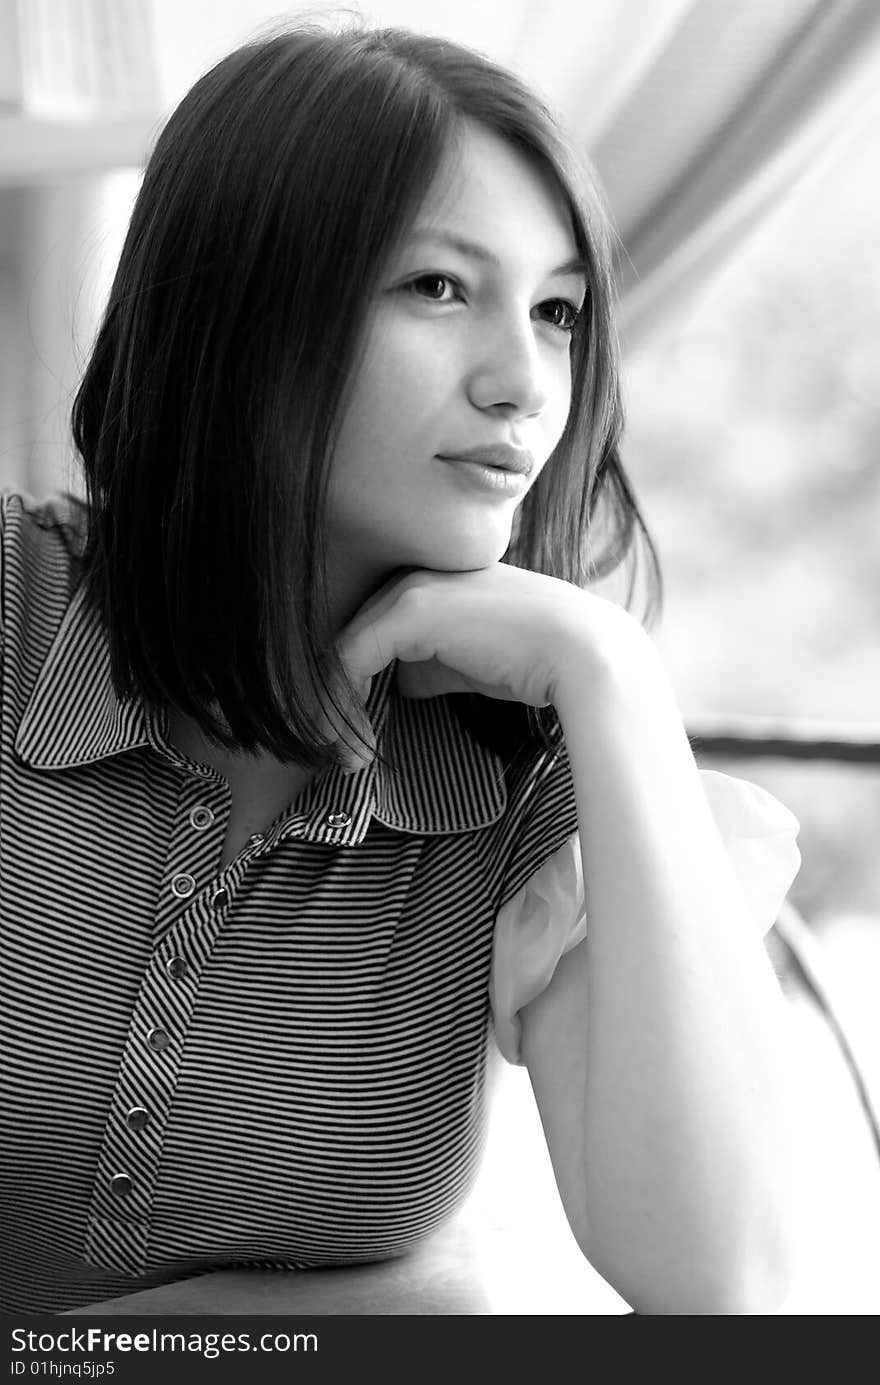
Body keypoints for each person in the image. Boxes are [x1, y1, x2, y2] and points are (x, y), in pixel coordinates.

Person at [0, 23, 802, 1316]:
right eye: (439, 288)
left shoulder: (528, 780)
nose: (522, 384)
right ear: (243, 304)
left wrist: (615, 681)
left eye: (557, 314)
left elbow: (730, 1288)